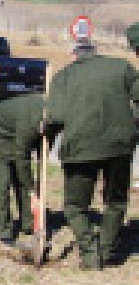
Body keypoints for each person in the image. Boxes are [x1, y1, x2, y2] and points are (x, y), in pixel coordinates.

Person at [46, 40, 138, 269]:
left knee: (75, 206)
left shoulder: (63, 77)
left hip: (81, 149)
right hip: (120, 147)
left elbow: (55, 118)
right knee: (115, 201)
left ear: (74, 55)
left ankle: (90, 254)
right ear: (96, 53)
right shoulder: (121, 67)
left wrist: (46, 137)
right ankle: (108, 252)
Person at [0, 94, 51, 247]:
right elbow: (22, 157)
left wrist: (40, 170)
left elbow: (44, 146)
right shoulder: (30, 121)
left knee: (23, 179)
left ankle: (29, 223)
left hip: (13, 132)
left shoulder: (53, 117)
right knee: (3, 181)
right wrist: (32, 188)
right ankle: (4, 231)